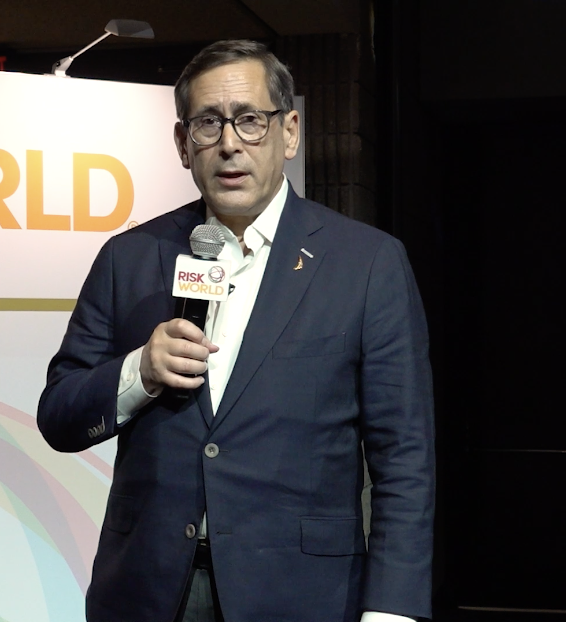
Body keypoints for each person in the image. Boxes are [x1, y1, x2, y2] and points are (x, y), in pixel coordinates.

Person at [37, 40, 434, 622]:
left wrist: (392, 611)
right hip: (147, 591)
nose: (229, 143)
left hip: (300, 595)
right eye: (208, 123)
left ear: (289, 132)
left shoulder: (367, 263)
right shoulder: (129, 258)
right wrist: (139, 373)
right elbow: (59, 415)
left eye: (250, 120)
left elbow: (405, 457)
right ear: (182, 144)